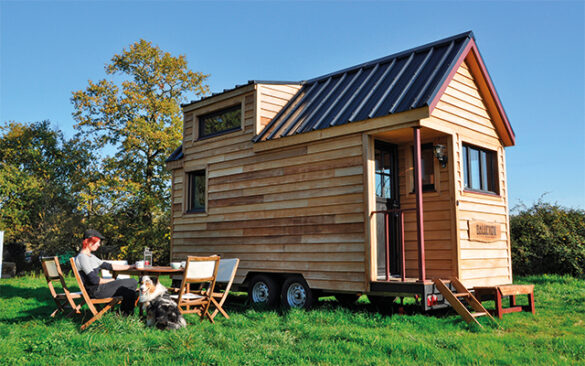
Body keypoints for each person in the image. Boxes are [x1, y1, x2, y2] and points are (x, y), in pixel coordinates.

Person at [74, 229, 138, 315]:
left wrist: (131, 266)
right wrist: (113, 280)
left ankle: (125, 313)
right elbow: (94, 280)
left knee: (130, 288)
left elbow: (109, 266)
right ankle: (125, 313)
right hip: (96, 291)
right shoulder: (82, 258)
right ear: (90, 242)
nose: (99, 245)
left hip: (99, 288)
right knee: (132, 282)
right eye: (97, 242)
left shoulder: (91, 256)